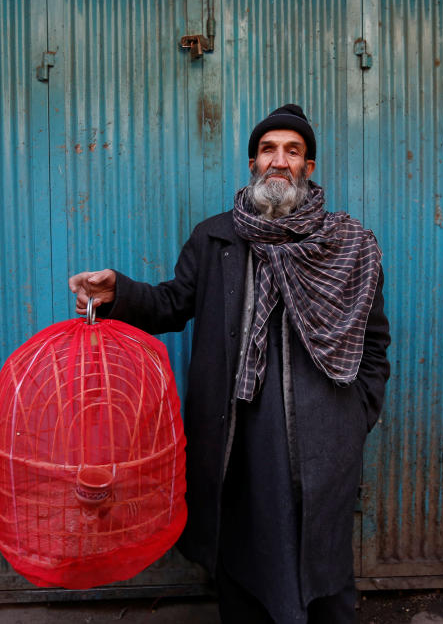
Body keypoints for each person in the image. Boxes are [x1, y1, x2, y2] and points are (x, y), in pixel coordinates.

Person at [69, 104, 390, 623]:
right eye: (268, 149)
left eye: (293, 151)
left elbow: (374, 341)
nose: (279, 161)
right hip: (240, 438)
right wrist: (117, 292)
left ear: (309, 167)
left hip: (322, 437)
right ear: (251, 164)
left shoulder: (346, 245)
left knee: (324, 574)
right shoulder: (216, 237)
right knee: (243, 566)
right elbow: (173, 303)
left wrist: (358, 413)